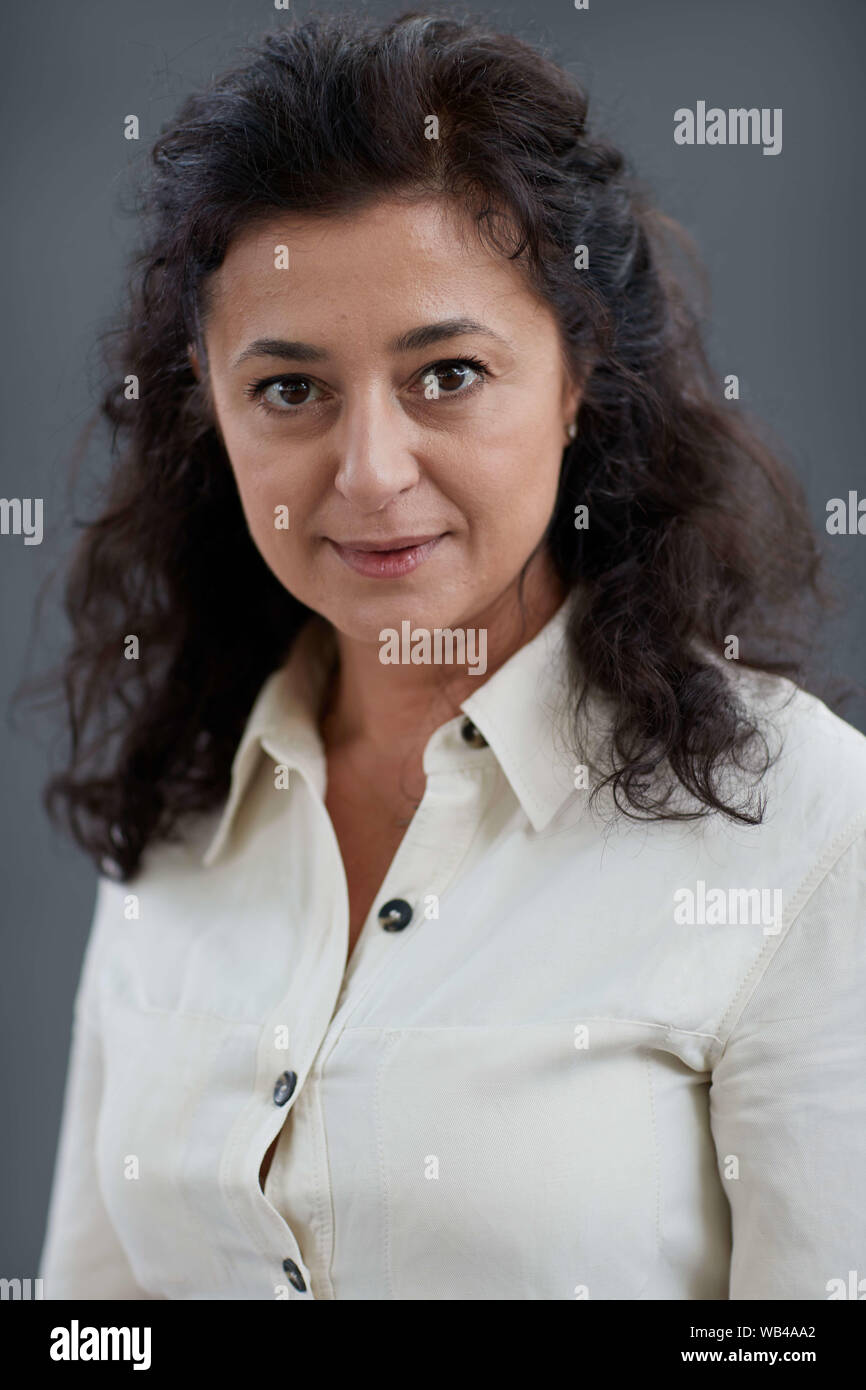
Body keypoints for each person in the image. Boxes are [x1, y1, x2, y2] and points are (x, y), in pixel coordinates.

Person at [36, 11, 866, 1300]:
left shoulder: (803, 827)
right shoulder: (182, 804)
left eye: (448, 373)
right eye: (291, 390)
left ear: (579, 376)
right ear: (210, 402)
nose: (369, 474)